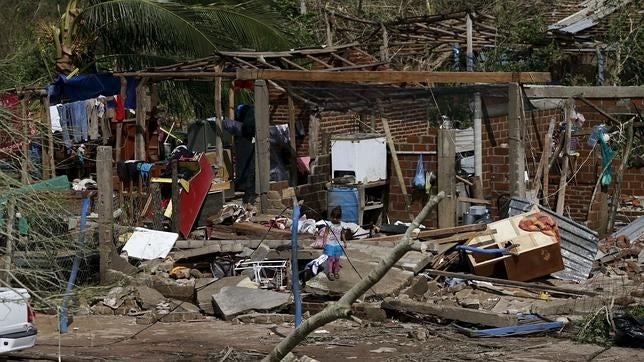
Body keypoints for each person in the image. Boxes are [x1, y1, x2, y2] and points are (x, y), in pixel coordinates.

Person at [323, 206, 348, 281]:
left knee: (337, 258)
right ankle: (330, 272)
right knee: (330, 258)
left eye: (336, 218)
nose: (334, 219)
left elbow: (343, 234)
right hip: (329, 243)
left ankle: (336, 271)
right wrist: (324, 242)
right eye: (333, 217)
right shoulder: (329, 224)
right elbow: (326, 233)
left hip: (337, 244)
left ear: (339, 218)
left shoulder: (341, 225)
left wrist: (345, 242)